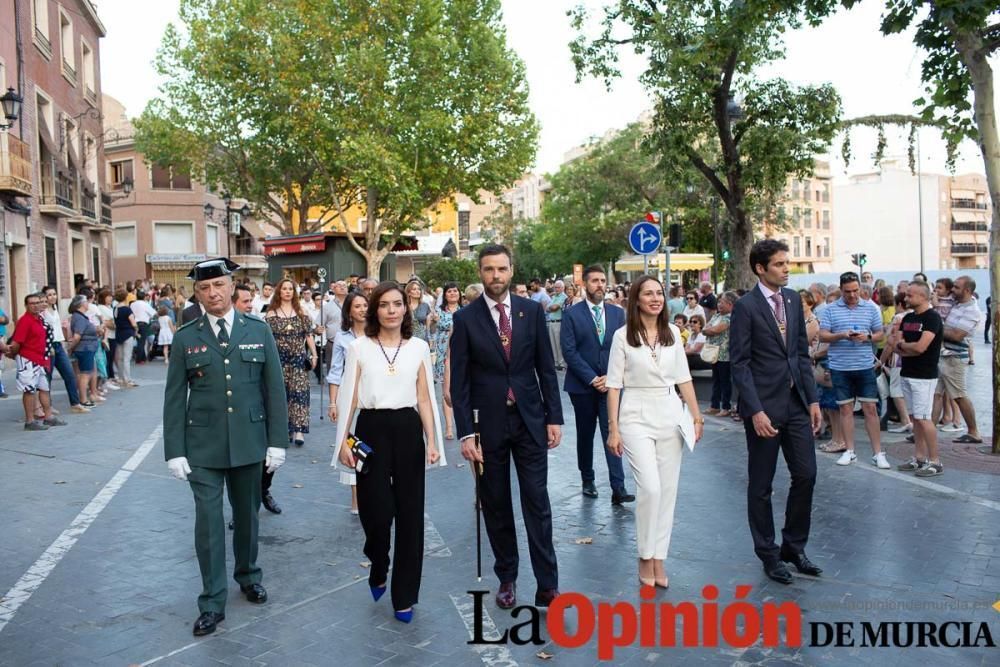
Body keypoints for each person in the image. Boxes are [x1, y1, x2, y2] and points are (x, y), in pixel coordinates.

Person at [163, 258, 289, 637]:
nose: (213, 293)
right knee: (208, 523)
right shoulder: (186, 337)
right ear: (196, 294)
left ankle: (248, 576)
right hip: (202, 446)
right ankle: (212, 601)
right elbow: (173, 397)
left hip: (250, 443)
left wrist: (277, 442)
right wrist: (175, 450)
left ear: (232, 286)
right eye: (204, 288)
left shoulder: (258, 330)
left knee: (247, 518)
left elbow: (274, 390)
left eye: (219, 284)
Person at [450, 244, 563, 610]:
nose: (495, 276)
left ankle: (547, 585)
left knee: (537, 503)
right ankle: (507, 578)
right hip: (488, 426)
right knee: (495, 503)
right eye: (488, 269)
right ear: (480, 273)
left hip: (530, 420)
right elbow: (460, 383)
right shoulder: (465, 319)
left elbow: (546, 368)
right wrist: (465, 432)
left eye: (501, 269)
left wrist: (554, 417)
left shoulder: (532, 312)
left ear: (511, 271)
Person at [335, 282, 442, 624]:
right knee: (376, 512)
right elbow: (349, 396)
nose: (392, 310)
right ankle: (378, 562)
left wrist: (434, 440)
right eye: (384, 305)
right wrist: (342, 442)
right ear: (375, 311)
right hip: (370, 430)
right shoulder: (359, 348)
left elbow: (424, 397)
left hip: (408, 431)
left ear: (406, 309)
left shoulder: (419, 348)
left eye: (398, 304)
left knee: (411, 517)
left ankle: (405, 595)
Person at [730, 239, 823, 585]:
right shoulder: (746, 307)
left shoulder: (793, 301)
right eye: (780, 264)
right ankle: (768, 552)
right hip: (764, 409)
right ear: (760, 268)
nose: (787, 269)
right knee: (762, 484)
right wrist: (754, 410)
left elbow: (800, 355)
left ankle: (793, 547)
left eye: (787, 263)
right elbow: (739, 364)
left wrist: (812, 400)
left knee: (807, 475)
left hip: (797, 404)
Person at [605, 275, 702, 587]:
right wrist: (613, 429)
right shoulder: (623, 336)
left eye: (659, 293)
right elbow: (614, 386)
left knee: (668, 490)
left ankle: (660, 557)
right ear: (637, 299)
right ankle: (644, 556)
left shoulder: (673, 331)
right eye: (648, 293)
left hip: (670, 413)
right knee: (650, 488)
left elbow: (683, 377)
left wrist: (697, 416)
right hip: (635, 415)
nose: (655, 298)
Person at [559, 264, 634, 504]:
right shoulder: (572, 314)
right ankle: (587, 478)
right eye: (595, 281)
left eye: (603, 281)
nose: (600, 285)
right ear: (585, 285)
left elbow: (622, 348)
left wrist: (612, 378)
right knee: (586, 433)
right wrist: (592, 378)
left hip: (611, 385)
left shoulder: (616, 313)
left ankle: (618, 487)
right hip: (582, 387)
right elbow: (569, 352)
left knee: (612, 431)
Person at [818, 271, 887, 468]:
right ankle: (849, 451)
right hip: (840, 366)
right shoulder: (830, 310)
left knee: (870, 409)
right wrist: (841, 335)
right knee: (845, 409)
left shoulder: (871, 308)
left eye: (856, 290)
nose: (853, 295)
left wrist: (868, 338)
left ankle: (878, 453)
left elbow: (880, 333)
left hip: (864, 365)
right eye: (848, 291)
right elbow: (823, 335)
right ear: (841, 290)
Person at [233, 284, 283, 518]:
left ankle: (264, 491)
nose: (250, 305)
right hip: (241, 411)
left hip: (264, 404)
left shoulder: (259, 328)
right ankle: (242, 509)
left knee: (269, 457)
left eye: (250, 300)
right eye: (245, 301)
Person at [891, 282, 944, 476]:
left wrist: (905, 347)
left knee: (923, 418)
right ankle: (919, 457)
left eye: (910, 295)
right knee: (915, 418)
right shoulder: (908, 318)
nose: (906, 299)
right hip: (907, 372)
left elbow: (922, 347)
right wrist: (907, 347)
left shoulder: (932, 318)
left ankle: (935, 461)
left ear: (923, 297)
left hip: (924, 375)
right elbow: (896, 345)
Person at [327, 292, 370, 515]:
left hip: (372, 393)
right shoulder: (342, 337)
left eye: (365, 305)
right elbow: (335, 372)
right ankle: (356, 498)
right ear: (349, 312)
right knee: (352, 442)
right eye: (357, 306)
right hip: (347, 393)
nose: (362, 309)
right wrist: (333, 403)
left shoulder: (377, 334)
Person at [265, 278, 318, 446]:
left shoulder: (301, 312)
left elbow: (308, 335)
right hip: (278, 361)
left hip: (298, 360)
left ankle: (299, 431)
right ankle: (286, 429)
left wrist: (314, 355)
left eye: (290, 289)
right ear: (279, 292)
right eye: (284, 288)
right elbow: (268, 339)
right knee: (283, 396)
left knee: (300, 394)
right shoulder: (271, 313)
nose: (287, 291)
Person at [931, 275, 983, 444]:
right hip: (943, 355)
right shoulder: (957, 303)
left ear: (967, 290)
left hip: (954, 358)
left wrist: (937, 328)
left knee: (959, 395)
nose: (952, 290)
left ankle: (974, 432)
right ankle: (927, 430)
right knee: (936, 394)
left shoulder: (972, 310)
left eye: (956, 287)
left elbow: (957, 335)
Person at [7, 293, 65, 430]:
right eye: (32, 303)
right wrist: (13, 354)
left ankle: (48, 417)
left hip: (39, 359)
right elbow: (16, 342)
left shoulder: (39, 319)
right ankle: (30, 421)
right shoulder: (25, 321)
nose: (36, 305)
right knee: (29, 390)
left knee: (44, 388)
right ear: (26, 305)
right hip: (27, 359)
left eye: (38, 303)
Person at [41, 286, 86, 413]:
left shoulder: (55, 309)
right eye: (49, 295)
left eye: (54, 294)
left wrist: (65, 340)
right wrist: (47, 346)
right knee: (47, 378)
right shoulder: (42, 312)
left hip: (59, 345)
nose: (53, 297)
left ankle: (75, 403)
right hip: (49, 347)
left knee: (69, 374)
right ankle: (47, 406)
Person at [431, 282, 462, 439]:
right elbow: (434, 329)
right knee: (446, 389)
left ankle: (463, 424)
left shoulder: (465, 311)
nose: (452, 294)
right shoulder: (439, 311)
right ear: (445, 295)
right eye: (449, 291)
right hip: (444, 351)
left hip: (462, 351)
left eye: (455, 291)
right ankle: (449, 427)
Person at [703, 292, 736, 418]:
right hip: (713, 353)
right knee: (716, 380)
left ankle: (726, 407)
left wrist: (709, 330)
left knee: (725, 381)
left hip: (724, 355)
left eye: (722, 302)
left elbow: (716, 330)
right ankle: (714, 406)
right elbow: (706, 328)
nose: (719, 304)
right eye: (719, 302)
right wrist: (709, 330)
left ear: (730, 304)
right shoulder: (716, 316)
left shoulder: (730, 317)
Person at [67, 295, 100, 408]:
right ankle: (83, 399)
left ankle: (84, 398)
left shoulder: (80, 316)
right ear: (81, 304)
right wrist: (71, 348)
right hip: (85, 348)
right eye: (86, 301)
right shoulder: (79, 318)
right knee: (85, 374)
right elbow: (77, 336)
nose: (88, 304)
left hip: (87, 348)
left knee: (86, 373)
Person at [113, 290, 140, 388]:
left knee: (120, 358)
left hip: (118, 334)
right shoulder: (127, 309)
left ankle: (121, 378)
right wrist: (136, 330)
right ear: (125, 298)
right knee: (127, 358)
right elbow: (133, 322)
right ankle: (127, 380)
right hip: (128, 334)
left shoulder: (115, 309)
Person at [546, 280, 568, 371]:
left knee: (559, 343)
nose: (556, 289)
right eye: (555, 287)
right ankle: (555, 362)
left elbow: (554, 308)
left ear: (563, 288)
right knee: (552, 343)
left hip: (559, 322)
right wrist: (551, 307)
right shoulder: (554, 296)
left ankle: (562, 363)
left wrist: (551, 307)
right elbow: (547, 308)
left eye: (558, 287)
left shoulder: (564, 297)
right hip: (551, 321)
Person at [131, 290, 157, 363]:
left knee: (139, 340)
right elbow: (153, 313)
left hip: (134, 323)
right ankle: (139, 359)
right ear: (144, 297)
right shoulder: (145, 304)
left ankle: (143, 357)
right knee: (142, 341)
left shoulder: (132, 304)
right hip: (143, 324)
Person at [405, 278, 433, 342]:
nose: (418, 291)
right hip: (407, 338)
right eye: (414, 289)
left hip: (423, 338)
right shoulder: (404, 306)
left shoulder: (425, 305)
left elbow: (431, 325)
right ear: (409, 293)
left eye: (419, 289)